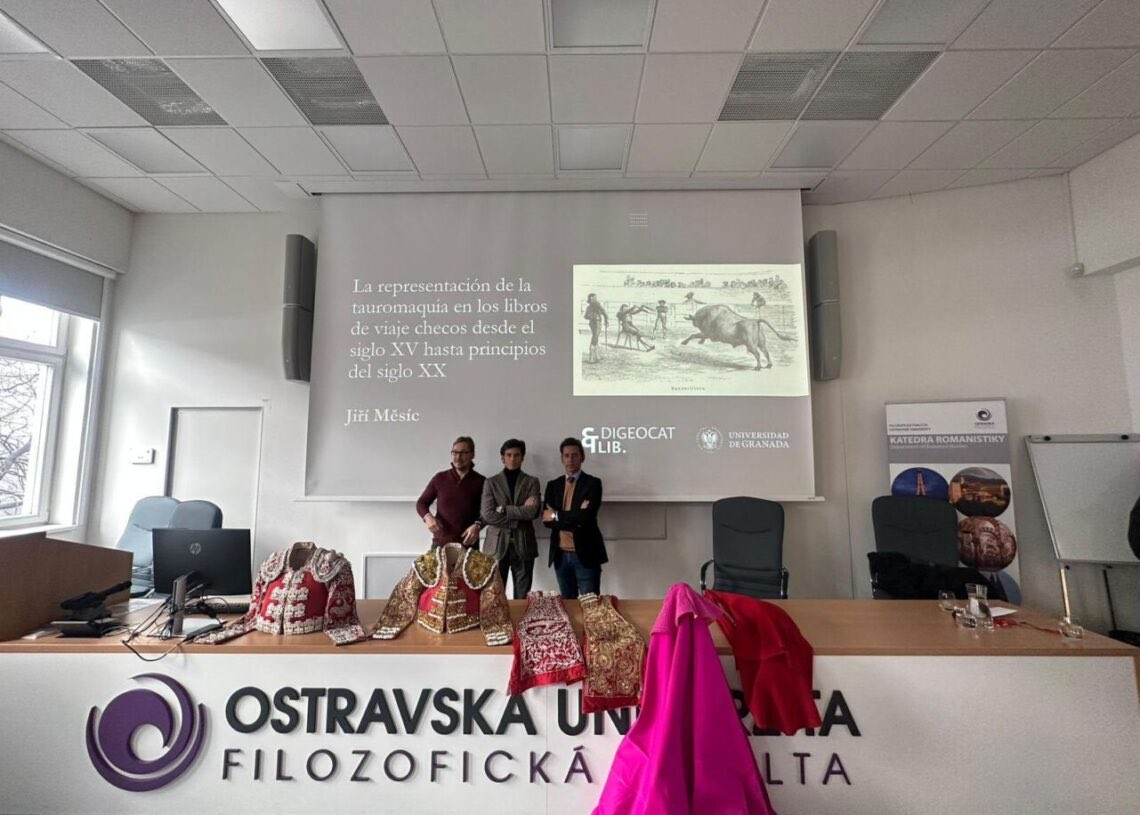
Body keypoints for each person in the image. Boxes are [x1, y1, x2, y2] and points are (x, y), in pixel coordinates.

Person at [543, 437, 607, 598]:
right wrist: (574, 517)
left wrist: (556, 515)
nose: (570, 459)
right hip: (561, 555)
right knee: (568, 607)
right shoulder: (553, 485)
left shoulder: (593, 483)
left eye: (574, 455)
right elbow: (547, 521)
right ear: (561, 458)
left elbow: (586, 518)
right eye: (566, 455)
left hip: (585, 555)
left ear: (582, 457)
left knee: (591, 606)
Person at [480, 438, 541, 599]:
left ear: (522, 457)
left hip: (524, 544)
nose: (512, 459)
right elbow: (488, 514)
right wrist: (519, 513)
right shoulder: (491, 482)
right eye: (509, 455)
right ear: (502, 458)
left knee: (522, 595)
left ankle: (519, 623)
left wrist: (503, 510)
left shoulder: (532, 482)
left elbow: (533, 512)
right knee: (494, 595)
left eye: (516, 455)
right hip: (497, 546)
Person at [416, 436, 485, 548]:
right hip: (440, 543)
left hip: (468, 545)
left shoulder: (482, 482)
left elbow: (488, 511)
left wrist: (478, 526)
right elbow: (421, 503)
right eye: (455, 452)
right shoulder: (440, 478)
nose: (458, 457)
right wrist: (427, 517)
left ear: (472, 455)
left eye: (463, 453)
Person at [584, 293, 608, 364]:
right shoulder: (596, 304)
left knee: (595, 337)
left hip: (592, 323)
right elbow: (603, 311)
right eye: (595, 297)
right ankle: (591, 358)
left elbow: (586, 316)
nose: (596, 298)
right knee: (595, 338)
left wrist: (590, 316)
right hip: (597, 322)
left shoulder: (589, 307)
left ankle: (597, 357)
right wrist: (606, 319)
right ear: (591, 298)